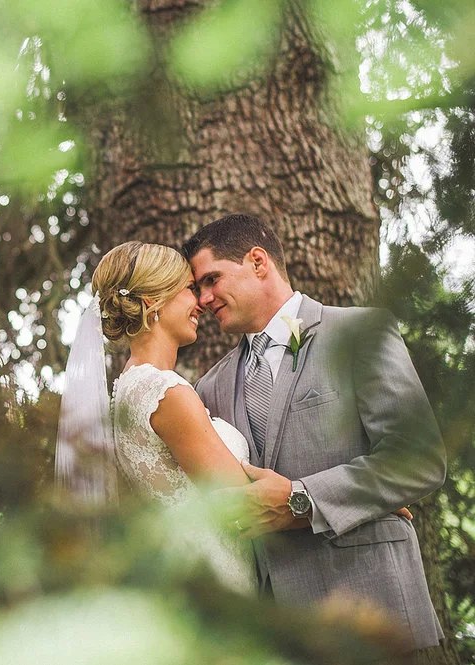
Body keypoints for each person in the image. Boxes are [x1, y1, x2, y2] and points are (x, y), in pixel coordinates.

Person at [184, 213, 446, 652]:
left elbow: (419, 460)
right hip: (278, 636)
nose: (205, 298)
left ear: (258, 261)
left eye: (211, 279)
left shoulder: (361, 333)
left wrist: (306, 500)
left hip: (375, 616)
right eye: (198, 288)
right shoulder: (210, 387)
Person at [55, 241, 257, 593]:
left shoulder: (126, 390)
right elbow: (243, 500)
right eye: (189, 291)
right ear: (153, 302)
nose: (200, 303)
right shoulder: (164, 393)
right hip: (211, 576)